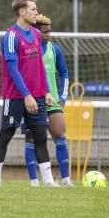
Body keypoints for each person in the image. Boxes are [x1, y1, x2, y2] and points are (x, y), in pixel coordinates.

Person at [0, 0, 58, 187]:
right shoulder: (11, 36)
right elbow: (12, 70)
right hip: (15, 97)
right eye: (33, 9)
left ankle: (48, 180)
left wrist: (45, 91)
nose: (36, 12)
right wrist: (26, 95)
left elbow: (39, 66)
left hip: (37, 96)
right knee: (6, 134)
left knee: (40, 136)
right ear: (22, 12)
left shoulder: (37, 35)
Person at [24, 13, 72, 186]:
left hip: (52, 102)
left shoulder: (54, 49)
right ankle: (34, 181)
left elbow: (64, 72)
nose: (48, 35)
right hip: (34, 101)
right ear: (36, 32)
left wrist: (63, 95)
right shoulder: (28, 49)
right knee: (31, 139)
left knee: (60, 135)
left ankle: (66, 179)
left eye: (49, 31)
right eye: (44, 32)